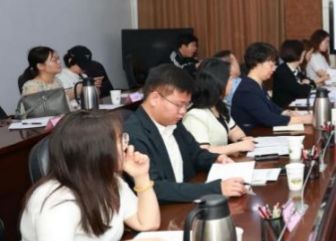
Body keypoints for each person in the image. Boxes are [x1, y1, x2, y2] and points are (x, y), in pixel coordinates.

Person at [1, 110, 169, 241]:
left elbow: (148, 223)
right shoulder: (56, 201)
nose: (126, 145)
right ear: (97, 150)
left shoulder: (110, 182)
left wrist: (141, 177)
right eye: (119, 140)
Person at [124, 64, 246, 203]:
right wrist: (216, 189)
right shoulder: (132, 134)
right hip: (162, 210)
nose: (183, 111)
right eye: (179, 105)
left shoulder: (173, 122)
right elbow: (155, 187)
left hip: (184, 201)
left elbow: (195, 154)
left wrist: (216, 159)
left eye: (186, 105)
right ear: (154, 98)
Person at [231, 42, 313, 132]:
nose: (274, 68)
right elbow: (268, 118)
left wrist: (286, 112)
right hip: (250, 134)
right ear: (257, 63)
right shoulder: (247, 90)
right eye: (271, 65)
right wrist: (302, 119)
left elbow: (269, 105)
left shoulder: (256, 84)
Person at [182, 59, 256, 156]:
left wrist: (242, 139)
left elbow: (234, 131)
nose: (232, 83)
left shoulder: (218, 105)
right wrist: (237, 146)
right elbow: (203, 152)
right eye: (230, 79)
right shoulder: (195, 115)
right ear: (218, 82)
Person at [272, 40, 313, 108]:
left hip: (294, 106)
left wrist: (305, 84)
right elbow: (301, 92)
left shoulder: (294, 69)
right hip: (283, 108)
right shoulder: (282, 71)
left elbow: (312, 82)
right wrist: (305, 84)